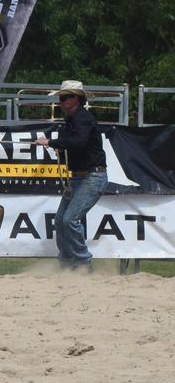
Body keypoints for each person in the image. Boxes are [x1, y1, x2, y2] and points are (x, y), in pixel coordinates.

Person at [35, 80, 107, 272]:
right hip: (80, 178)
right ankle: (68, 263)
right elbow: (74, 143)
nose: (62, 100)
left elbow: (78, 142)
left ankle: (83, 263)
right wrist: (59, 146)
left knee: (69, 219)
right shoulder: (73, 120)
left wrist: (51, 142)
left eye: (66, 97)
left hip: (92, 177)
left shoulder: (83, 118)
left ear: (77, 98)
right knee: (61, 220)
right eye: (61, 97)